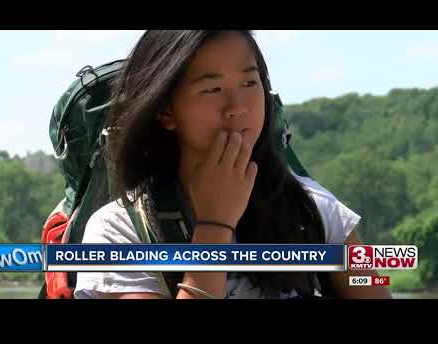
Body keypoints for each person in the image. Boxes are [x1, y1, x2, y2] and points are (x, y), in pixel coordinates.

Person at [73, 30, 392, 299]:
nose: (236, 107)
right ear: (165, 110)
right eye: (212, 89)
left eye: (249, 84)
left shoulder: (313, 206)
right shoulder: (119, 230)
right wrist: (215, 226)